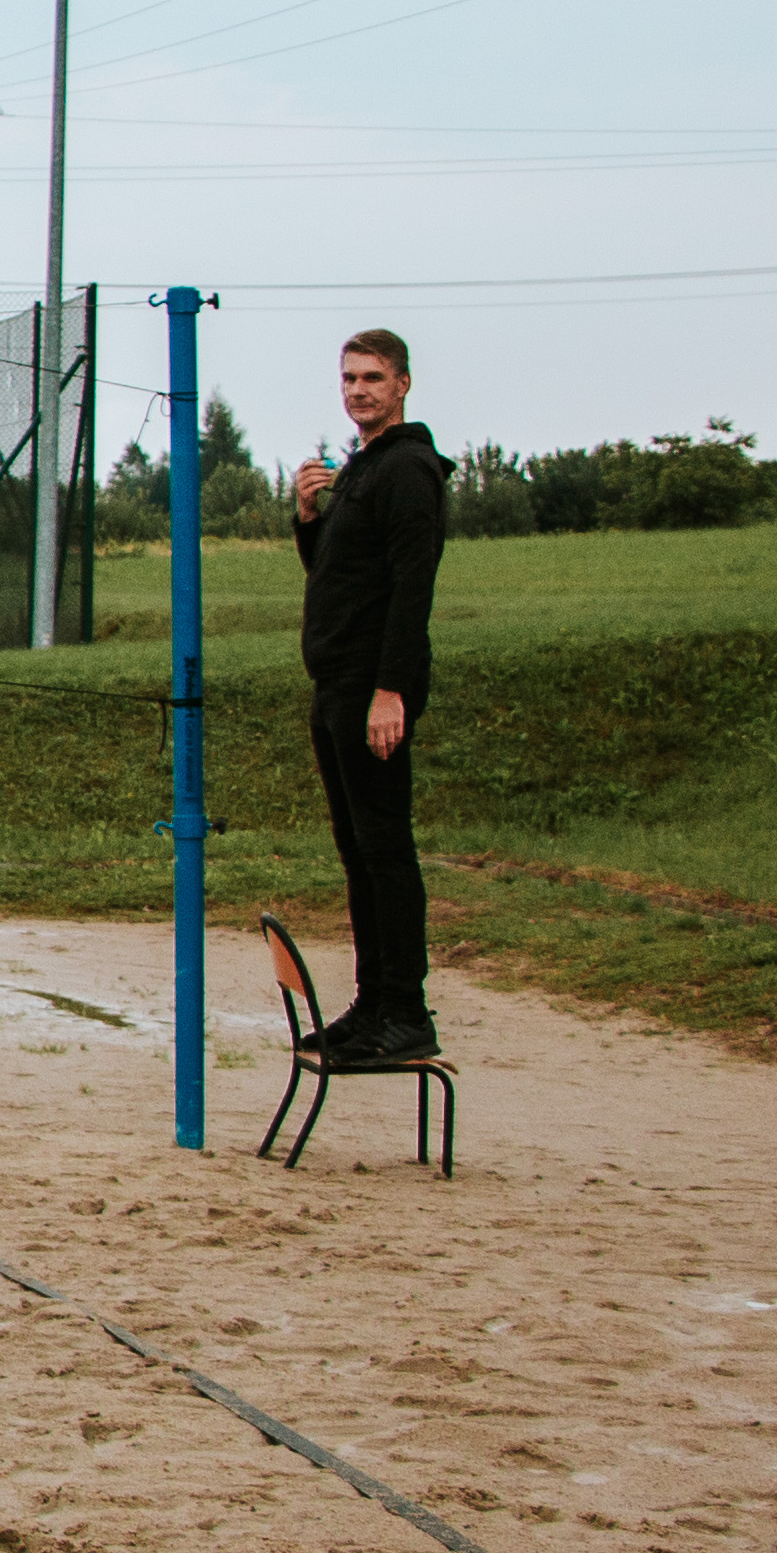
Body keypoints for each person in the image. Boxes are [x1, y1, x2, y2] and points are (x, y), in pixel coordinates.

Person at [290, 332, 451, 1062]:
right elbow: (334, 574)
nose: (358, 390)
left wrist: (391, 692)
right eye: (350, 378)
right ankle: (371, 1002)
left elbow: (410, 590)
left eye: (373, 378)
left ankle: (406, 1012)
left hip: (371, 689)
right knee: (357, 851)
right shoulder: (361, 469)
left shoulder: (409, 470)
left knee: (386, 849)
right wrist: (308, 518)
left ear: (404, 384)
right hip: (335, 683)